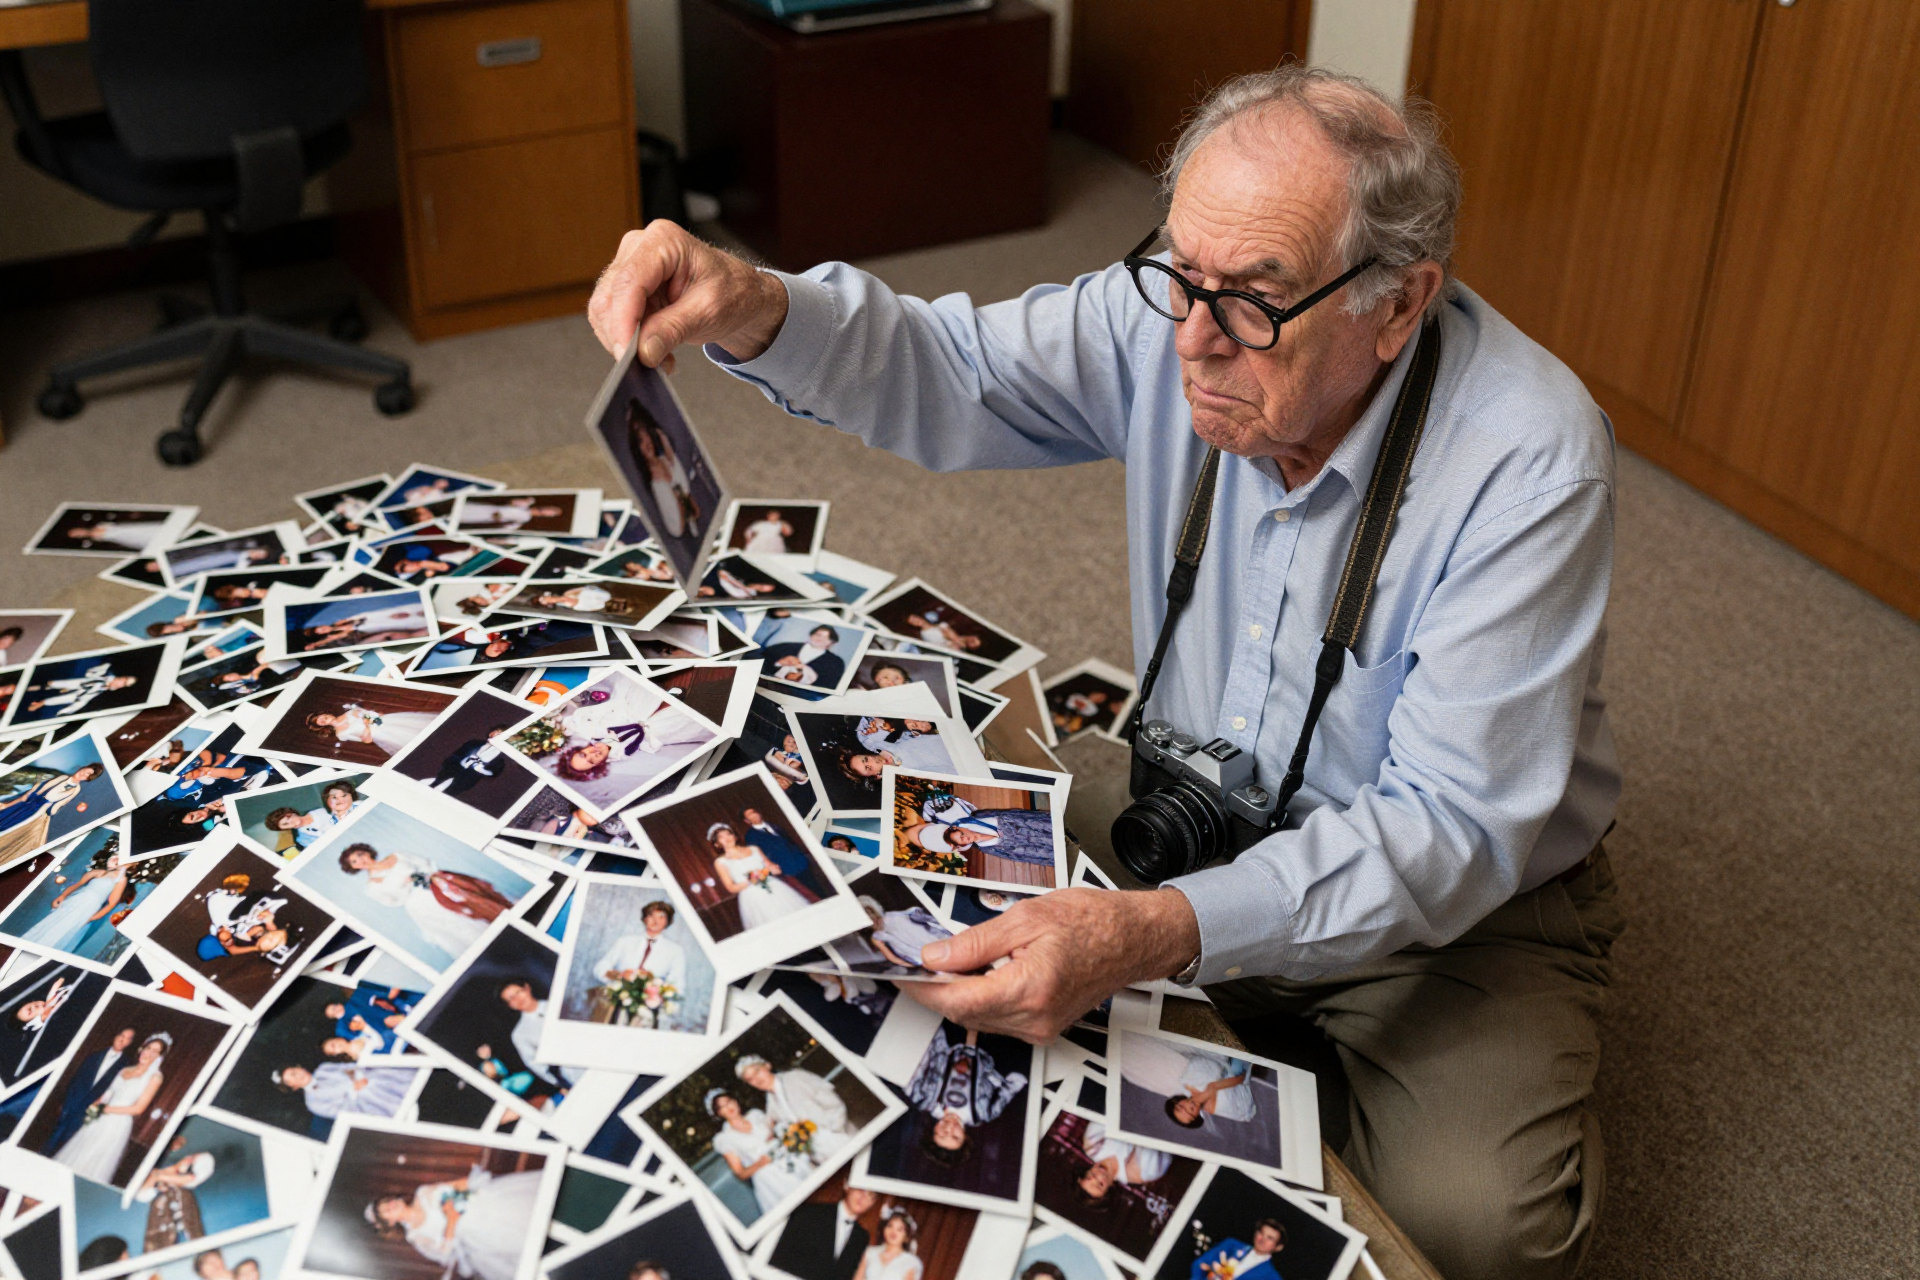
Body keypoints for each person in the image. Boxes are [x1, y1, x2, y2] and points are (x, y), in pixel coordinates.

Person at [588, 62, 1624, 1280]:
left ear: (1398, 307)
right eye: (1180, 270)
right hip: (1194, 822)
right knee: (893, 927)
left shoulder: (1530, 462)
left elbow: (1451, 825)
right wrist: (753, 300)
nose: (1190, 338)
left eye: (1253, 300)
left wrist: (1156, 931)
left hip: (1458, 908)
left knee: (1471, 1228)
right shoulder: (1177, 311)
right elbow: (950, 367)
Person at [365, 1164, 545, 1280]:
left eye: (387, 1202)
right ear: (390, 1223)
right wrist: (451, 1221)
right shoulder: (416, 1236)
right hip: (476, 1236)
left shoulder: (423, 1193)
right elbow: (445, 1252)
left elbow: (459, 1185)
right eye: (386, 1211)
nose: (391, 1205)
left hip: (484, 1203)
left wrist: (465, 1196)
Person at [338, 841, 511, 960]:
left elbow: (425, 863)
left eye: (360, 854)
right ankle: (492, 950)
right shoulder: (371, 887)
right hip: (420, 905)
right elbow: (393, 902)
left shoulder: (397, 855)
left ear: (366, 851)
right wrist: (407, 884)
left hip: (437, 886)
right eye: (354, 862)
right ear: (354, 868)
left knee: (473, 907)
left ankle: (506, 927)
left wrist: (426, 877)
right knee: (456, 925)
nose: (360, 860)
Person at [51, 1031, 168, 1182]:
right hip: (100, 1117)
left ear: (159, 1057)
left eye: (155, 1051)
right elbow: (108, 1094)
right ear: (142, 1048)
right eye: (148, 1048)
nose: (148, 1052)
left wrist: (107, 1109)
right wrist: (96, 1104)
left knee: (92, 1160)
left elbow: (138, 1109)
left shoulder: (155, 1077)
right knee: (78, 1151)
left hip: (116, 1124)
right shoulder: (125, 1070)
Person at [904, 1024, 1026, 1166]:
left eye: (942, 1134)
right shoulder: (985, 1113)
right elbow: (1016, 1081)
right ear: (965, 1137)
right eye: (955, 1137)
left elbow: (915, 1065)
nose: (949, 1129)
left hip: (949, 1037)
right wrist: (991, 1073)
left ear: (932, 1131)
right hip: (991, 1044)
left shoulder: (921, 1099)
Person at [1117, 1033, 1256, 1132]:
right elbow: (1239, 1080)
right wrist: (1212, 1088)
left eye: (1179, 1107)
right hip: (1237, 1071)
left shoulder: (1186, 1090)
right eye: (1190, 1111)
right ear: (1196, 1116)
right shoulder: (1210, 1107)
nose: (1187, 1105)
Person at [707, 1087, 809, 1215]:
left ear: (735, 1101)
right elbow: (740, 1173)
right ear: (719, 1114)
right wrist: (761, 1163)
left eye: (729, 1101)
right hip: (770, 1177)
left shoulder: (756, 1115)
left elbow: (776, 1132)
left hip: (790, 1160)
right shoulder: (724, 1139)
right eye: (722, 1107)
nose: (728, 1107)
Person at [736, 1053, 853, 1161]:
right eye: (750, 1079)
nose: (757, 1079)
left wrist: (835, 1132)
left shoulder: (796, 1077)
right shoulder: (770, 1105)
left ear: (767, 1066)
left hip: (841, 1139)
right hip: (821, 1155)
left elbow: (833, 1103)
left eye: (757, 1072)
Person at [43, 1026, 134, 1154]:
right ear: (115, 1036)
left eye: (127, 1039)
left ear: (129, 1043)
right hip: (72, 1103)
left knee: (69, 1147)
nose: (122, 1040)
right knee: (52, 1138)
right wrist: (65, 1102)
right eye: (121, 1036)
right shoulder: (95, 1056)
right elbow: (76, 1080)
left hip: (91, 1108)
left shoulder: (125, 1066)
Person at [904, 794, 1058, 868]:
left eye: (962, 834)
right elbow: (1029, 855)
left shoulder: (982, 817)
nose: (967, 838)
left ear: (956, 827)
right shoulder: (990, 848)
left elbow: (1026, 818)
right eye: (962, 841)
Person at [20, 852, 129, 954]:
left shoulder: (121, 879)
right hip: (77, 899)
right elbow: (79, 883)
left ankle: (42, 951)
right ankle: (30, 942)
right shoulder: (99, 872)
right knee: (55, 920)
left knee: (67, 928)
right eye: (114, 858)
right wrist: (62, 896)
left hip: (89, 907)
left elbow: (111, 904)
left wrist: (93, 917)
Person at [711, 822, 810, 927]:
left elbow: (775, 870)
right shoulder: (720, 862)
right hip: (753, 897)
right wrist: (753, 878)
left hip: (775, 889)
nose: (727, 838)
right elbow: (731, 888)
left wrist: (771, 869)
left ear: (734, 836)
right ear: (717, 844)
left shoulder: (754, 849)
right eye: (721, 837)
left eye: (728, 834)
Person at [0, 761, 104, 862]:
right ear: (83, 767)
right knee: (6, 813)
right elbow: (42, 787)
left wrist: (49, 814)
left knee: (12, 824)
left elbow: (59, 803)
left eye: (88, 775)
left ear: (88, 779)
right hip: (31, 799)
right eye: (86, 770)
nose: (83, 774)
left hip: (38, 808)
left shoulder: (75, 789)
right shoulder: (63, 777)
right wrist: (33, 793)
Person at [769, 1182, 874, 1280]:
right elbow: (781, 1253)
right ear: (847, 1185)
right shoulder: (811, 1213)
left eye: (871, 1195)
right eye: (861, 1190)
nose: (863, 1198)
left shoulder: (862, 1237)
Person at [592, 900, 686, 995]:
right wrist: (619, 975)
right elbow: (600, 967)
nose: (655, 920)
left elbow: (677, 986)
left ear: (667, 922)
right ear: (645, 919)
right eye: (651, 915)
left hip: (651, 1004)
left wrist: (654, 984)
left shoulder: (675, 951)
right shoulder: (625, 941)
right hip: (617, 997)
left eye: (661, 917)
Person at [273, 1061, 414, 1122]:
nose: (298, 1074)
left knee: (377, 1071)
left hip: (364, 1078)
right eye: (293, 1077)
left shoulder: (323, 1068)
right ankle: (405, 1109)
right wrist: (353, 1090)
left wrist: (358, 1077)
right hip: (362, 1104)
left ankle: (416, 1083)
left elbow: (350, 1067)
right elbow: (342, 1113)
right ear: (293, 1086)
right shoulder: (313, 1103)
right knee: (367, 1090)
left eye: (294, 1071)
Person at [136, 1145, 214, 1251]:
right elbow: (142, 1194)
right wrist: (161, 1175)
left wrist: (162, 1175)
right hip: (163, 1232)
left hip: (186, 1232)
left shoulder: (190, 1180)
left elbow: (191, 1179)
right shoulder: (157, 1195)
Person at [305, 703, 438, 759]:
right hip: (380, 734)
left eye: (323, 717)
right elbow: (367, 740)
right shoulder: (341, 734)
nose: (324, 719)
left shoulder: (351, 712)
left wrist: (369, 720)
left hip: (387, 723)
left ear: (326, 713)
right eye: (321, 722)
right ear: (323, 726)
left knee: (418, 728)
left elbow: (374, 715)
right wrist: (367, 727)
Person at [1078, 1121, 1172, 1198]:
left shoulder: (1092, 1146)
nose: (1098, 1176)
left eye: (1090, 1177)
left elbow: (1107, 1113)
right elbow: (1160, 1138)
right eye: (1100, 1184)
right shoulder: (1139, 1175)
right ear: (1110, 1188)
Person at [740, 806, 820, 896]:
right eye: (749, 815)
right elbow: (760, 856)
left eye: (754, 812)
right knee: (808, 894)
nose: (754, 815)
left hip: (800, 862)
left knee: (818, 888)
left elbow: (790, 842)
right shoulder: (751, 836)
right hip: (785, 870)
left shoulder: (774, 825)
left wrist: (801, 855)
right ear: (746, 821)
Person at [20, 664, 137, 718]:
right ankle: (29, 688)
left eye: (125, 685)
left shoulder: (108, 689)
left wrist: (65, 711)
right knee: (51, 683)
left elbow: (83, 700)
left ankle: (40, 703)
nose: (121, 684)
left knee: (58, 701)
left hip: (79, 695)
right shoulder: (106, 674)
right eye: (124, 680)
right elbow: (90, 672)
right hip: (79, 683)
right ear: (121, 677)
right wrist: (97, 674)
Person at [1191, 1219, 1287, 1280]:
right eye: (1261, 1233)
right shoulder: (1231, 1245)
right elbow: (1199, 1264)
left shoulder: (1272, 1277)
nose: (1262, 1239)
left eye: (1270, 1238)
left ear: (1278, 1247)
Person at [854, 717, 952, 772]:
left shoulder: (875, 742)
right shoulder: (905, 774)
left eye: (866, 759)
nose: (872, 762)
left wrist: (909, 722)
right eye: (868, 767)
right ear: (876, 776)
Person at [763, 624, 846, 688]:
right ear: (811, 635)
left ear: (832, 642)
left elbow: (830, 685)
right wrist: (779, 663)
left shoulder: (836, 662)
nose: (821, 639)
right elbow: (762, 659)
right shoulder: (786, 646)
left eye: (827, 637)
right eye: (819, 635)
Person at [854, 1206, 922, 1280]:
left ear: (906, 1236)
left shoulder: (911, 1262)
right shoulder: (870, 1252)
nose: (893, 1232)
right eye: (890, 1226)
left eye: (899, 1229)